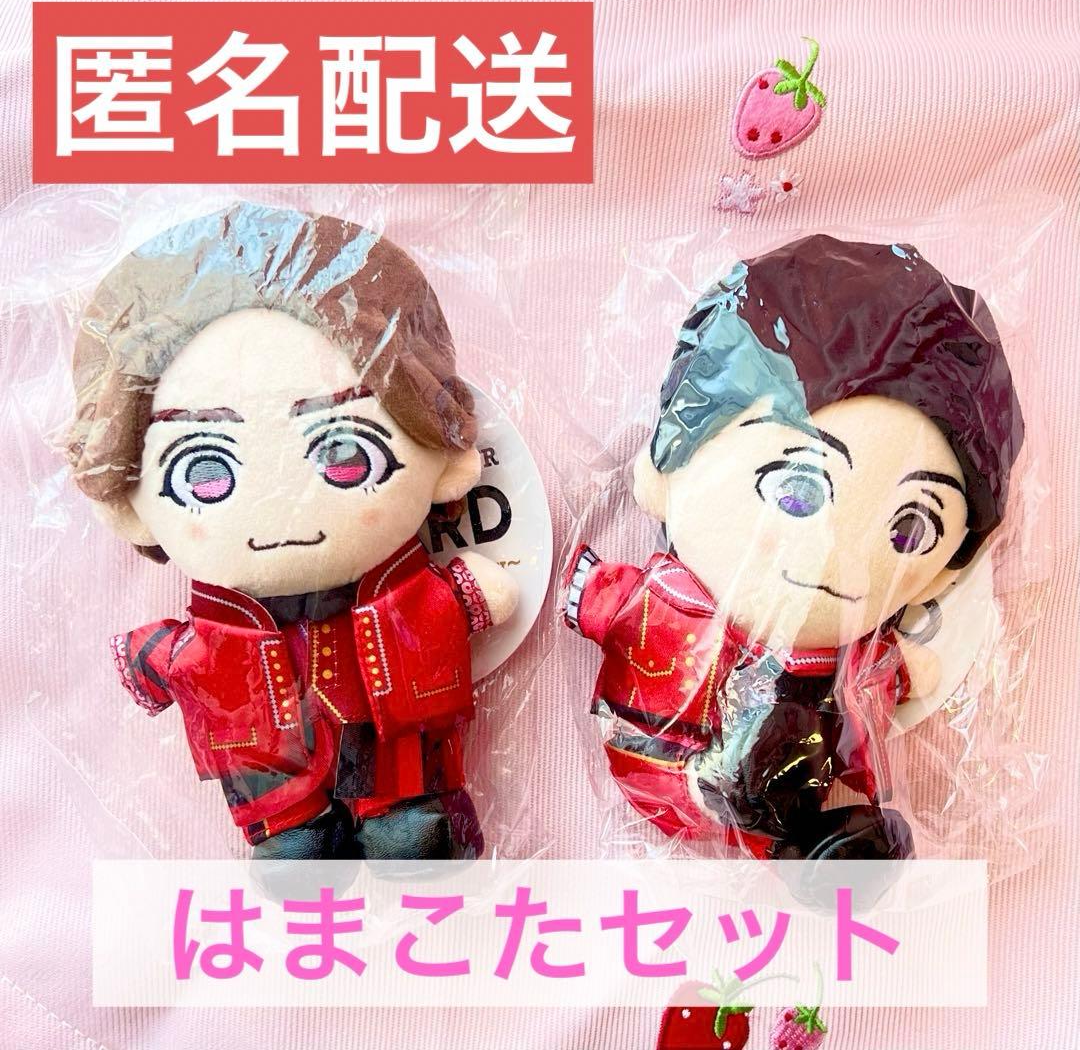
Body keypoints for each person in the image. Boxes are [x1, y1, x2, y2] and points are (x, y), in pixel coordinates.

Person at [68, 202, 518, 860]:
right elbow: (172, 659)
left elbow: (472, 598)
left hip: (388, 736)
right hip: (268, 763)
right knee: (282, 811)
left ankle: (403, 819)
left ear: (444, 459)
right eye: (205, 472)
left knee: (404, 801)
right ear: (130, 506)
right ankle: (291, 831)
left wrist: (466, 592)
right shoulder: (219, 631)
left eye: (347, 456)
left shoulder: (400, 595)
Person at [563, 234, 1023, 860]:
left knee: (801, 750)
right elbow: (598, 600)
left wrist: (905, 671)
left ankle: (813, 846)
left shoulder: (844, 664)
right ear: (665, 471)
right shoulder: (664, 603)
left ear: (946, 569)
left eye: (910, 530)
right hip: (663, 766)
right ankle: (734, 801)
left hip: (790, 789)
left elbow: (891, 674)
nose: (836, 554)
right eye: (798, 491)